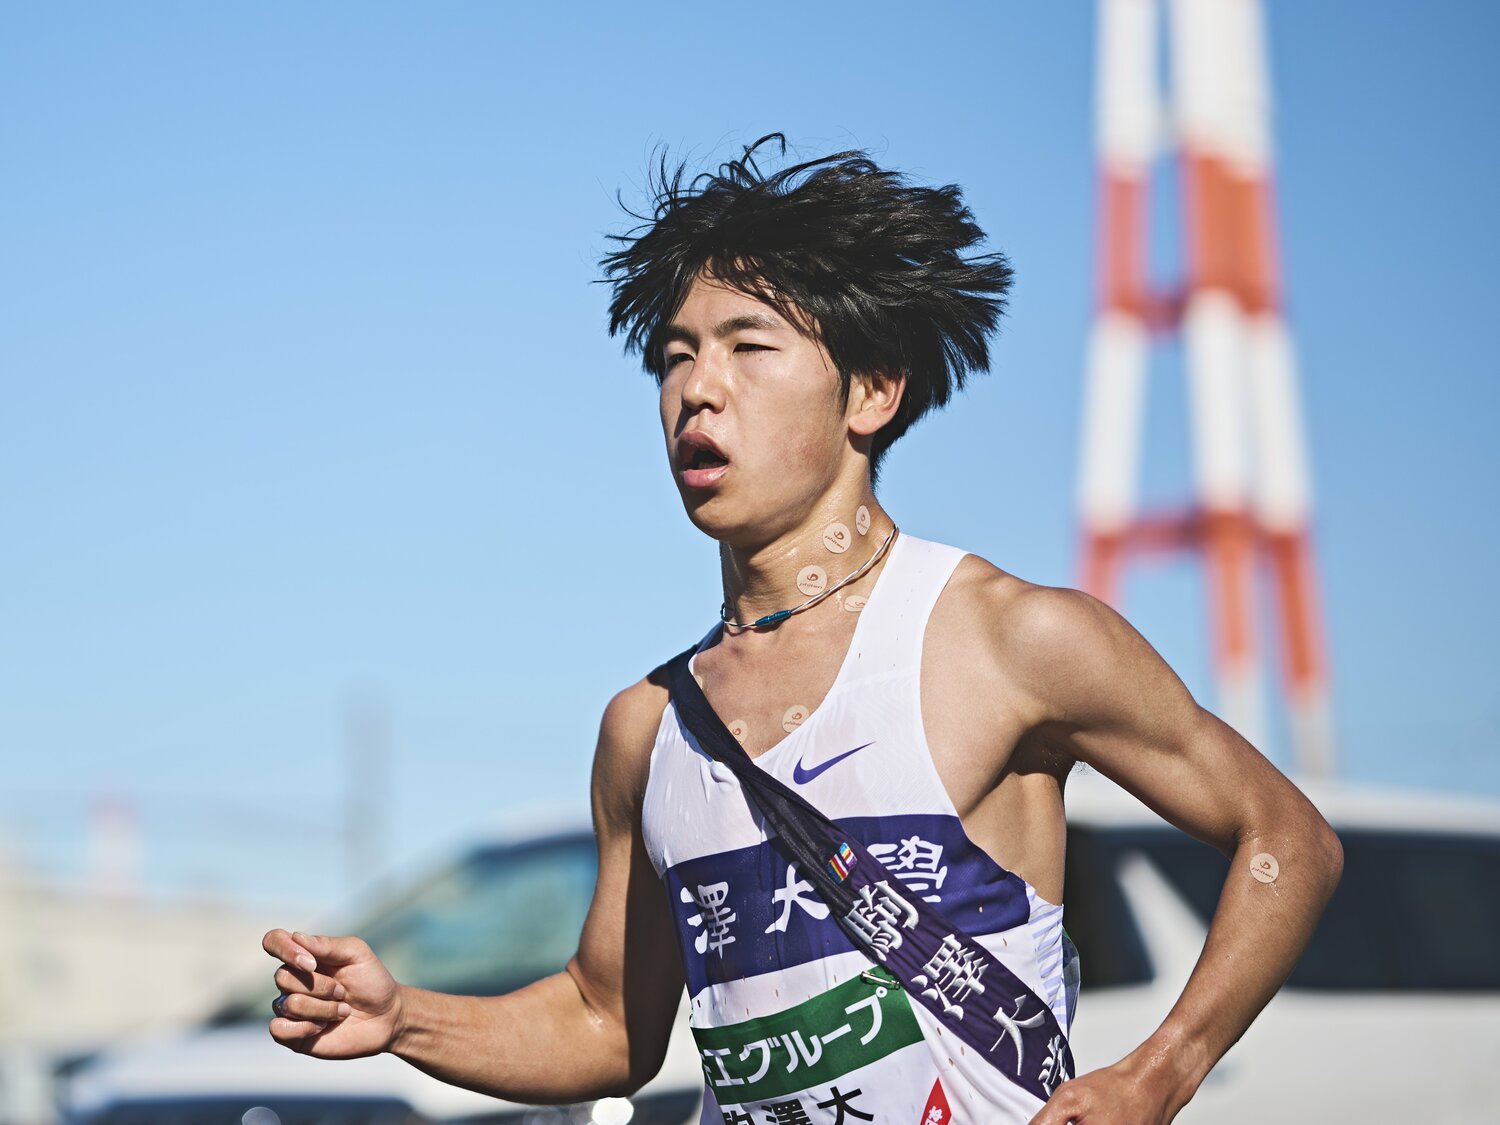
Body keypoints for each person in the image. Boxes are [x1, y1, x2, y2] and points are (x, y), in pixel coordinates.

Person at [263, 136, 1343, 1124]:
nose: (699, 391)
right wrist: (403, 1017)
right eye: (676, 356)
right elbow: (609, 1026)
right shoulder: (647, 730)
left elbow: (1287, 840)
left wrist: (1159, 1072)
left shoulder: (1007, 640)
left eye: (749, 347)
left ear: (872, 391)